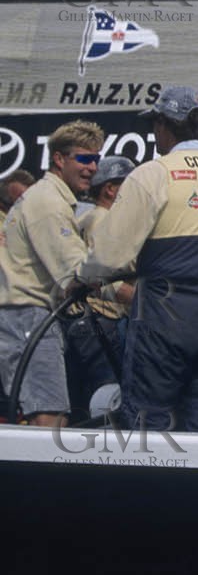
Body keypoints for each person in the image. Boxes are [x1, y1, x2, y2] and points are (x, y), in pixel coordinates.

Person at [80, 86, 198, 432]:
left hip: (162, 312)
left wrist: (83, 277)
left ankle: (149, 485)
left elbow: (110, 255)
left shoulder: (152, 173)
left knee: (148, 416)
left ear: (164, 125)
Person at [0, 124, 102, 427]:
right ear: (59, 159)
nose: (93, 168)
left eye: (96, 159)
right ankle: (42, 477)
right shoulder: (48, 203)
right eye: (84, 159)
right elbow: (76, 273)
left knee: (44, 413)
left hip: (24, 316)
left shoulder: (45, 198)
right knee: (49, 416)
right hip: (28, 318)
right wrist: (125, 285)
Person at [64, 154, 136, 421]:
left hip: (92, 322)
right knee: (108, 399)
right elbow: (106, 280)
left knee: (91, 398)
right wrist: (147, 301)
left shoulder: (88, 218)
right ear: (110, 189)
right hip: (101, 322)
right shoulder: (103, 220)